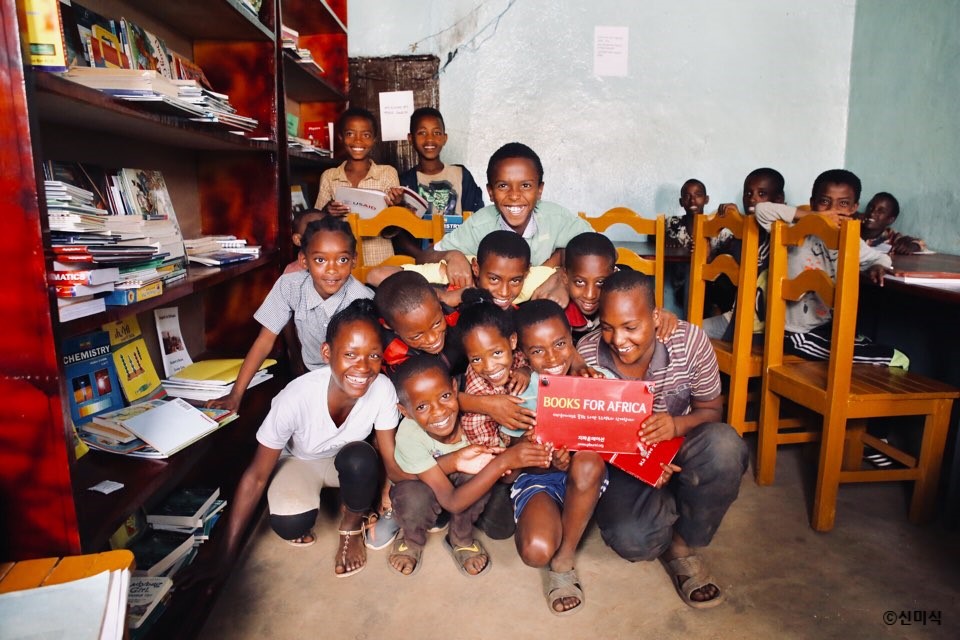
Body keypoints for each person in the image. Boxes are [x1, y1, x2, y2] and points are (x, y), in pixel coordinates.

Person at [181, 300, 401, 586]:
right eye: (350, 354)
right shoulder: (295, 397)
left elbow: (389, 459)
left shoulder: (382, 389)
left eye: (373, 355)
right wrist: (225, 555)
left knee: (360, 458)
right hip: (300, 461)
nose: (363, 367)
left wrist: (386, 494)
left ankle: (351, 527)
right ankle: (338, 503)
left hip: (348, 462)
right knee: (290, 524)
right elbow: (256, 476)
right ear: (327, 353)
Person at [577, 270, 748, 609]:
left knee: (724, 447)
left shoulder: (690, 341)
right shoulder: (588, 354)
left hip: (682, 446)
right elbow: (591, 436)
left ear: (656, 317)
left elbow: (712, 410)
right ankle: (662, 510)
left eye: (630, 327)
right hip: (625, 461)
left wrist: (676, 425)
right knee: (634, 540)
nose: (617, 339)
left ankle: (681, 546)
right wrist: (647, 464)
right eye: (608, 327)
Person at [388, 356, 552, 577]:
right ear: (405, 412)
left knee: (501, 525)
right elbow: (452, 502)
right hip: (429, 490)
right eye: (422, 406)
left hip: (464, 487)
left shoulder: (477, 422)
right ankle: (412, 540)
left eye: (445, 396)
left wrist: (520, 448)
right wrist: (505, 461)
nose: (438, 411)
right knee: (411, 496)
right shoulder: (409, 434)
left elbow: (506, 477)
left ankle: (459, 537)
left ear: (454, 388)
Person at [745, 169, 909, 367]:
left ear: (854, 208)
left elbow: (881, 257)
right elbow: (762, 210)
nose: (833, 210)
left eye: (843, 204)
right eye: (824, 202)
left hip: (824, 328)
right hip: (793, 333)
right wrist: (815, 217)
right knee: (895, 358)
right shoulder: (793, 231)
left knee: (867, 342)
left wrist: (877, 265)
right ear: (813, 203)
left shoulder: (848, 239)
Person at [208, 216, 372, 412]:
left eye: (342, 259)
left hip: (354, 382)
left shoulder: (362, 300)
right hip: (311, 377)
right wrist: (236, 395)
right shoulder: (290, 286)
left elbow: (367, 362)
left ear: (354, 260)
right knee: (280, 410)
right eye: (320, 260)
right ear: (304, 260)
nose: (332, 270)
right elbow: (264, 341)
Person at [512, 300, 610, 614]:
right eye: (537, 351)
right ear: (523, 354)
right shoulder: (519, 393)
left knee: (586, 462)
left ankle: (565, 558)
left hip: (586, 476)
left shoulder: (595, 379)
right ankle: (554, 520)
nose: (553, 359)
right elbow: (509, 463)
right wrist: (539, 455)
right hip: (540, 478)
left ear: (571, 338)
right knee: (536, 551)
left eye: (559, 344)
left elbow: (617, 436)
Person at [417, 142, 591, 292]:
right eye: (503, 186)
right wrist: (452, 255)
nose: (514, 195)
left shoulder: (556, 218)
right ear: (490, 192)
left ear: (539, 190)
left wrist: (559, 269)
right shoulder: (480, 225)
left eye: (525, 185)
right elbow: (424, 256)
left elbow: (598, 249)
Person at [366, 229, 556, 310]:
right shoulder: (456, 275)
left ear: (526, 273)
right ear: (476, 268)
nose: (504, 292)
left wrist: (560, 281)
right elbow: (375, 276)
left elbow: (567, 272)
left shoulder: (526, 278)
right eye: (494, 279)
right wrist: (443, 294)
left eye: (515, 281)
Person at [702, 167, 787, 340]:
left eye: (762, 194)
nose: (752, 199)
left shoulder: (785, 233)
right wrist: (738, 223)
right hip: (735, 317)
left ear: (779, 199)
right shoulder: (743, 234)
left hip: (761, 327)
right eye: (748, 193)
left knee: (685, 333)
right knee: (685, 331)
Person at [315, 107, 404, 266]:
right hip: (340, 262)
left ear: (374, 139)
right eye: (350, 134)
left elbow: (392, 230)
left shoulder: (387, 173)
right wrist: (327, 212)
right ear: (341, 137)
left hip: (380, 260)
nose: (358, 140)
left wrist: (396, 207)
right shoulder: (329, 176)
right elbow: (315, 226)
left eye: (366, 135)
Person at [455, 289, 532, 447]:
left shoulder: (518, 355)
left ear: (512, 341)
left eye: (497, 353)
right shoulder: (477, 390)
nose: (489, 367)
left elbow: (531, 360)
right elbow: (489, 451)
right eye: (476, 359)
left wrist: (526, 370)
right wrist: (518, 446)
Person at [399, 107, 484, 220]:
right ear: (410, 138)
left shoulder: (461, 175)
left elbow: (477, 218)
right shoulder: (405, 182)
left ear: (445, 138)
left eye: (437, 133)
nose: (430, 139)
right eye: (422, 133)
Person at [859, 192, 926, 254]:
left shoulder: (891, 237)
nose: (872, 213)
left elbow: (921, 243)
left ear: (890, 220)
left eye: (881, 211)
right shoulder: (854, 226)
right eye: (870, 207)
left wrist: (913, 246)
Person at [282, 208, 325, 274]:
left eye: (328, 227)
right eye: (314, 229)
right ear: (298, 240)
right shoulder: (292, 271)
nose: (323, 234)